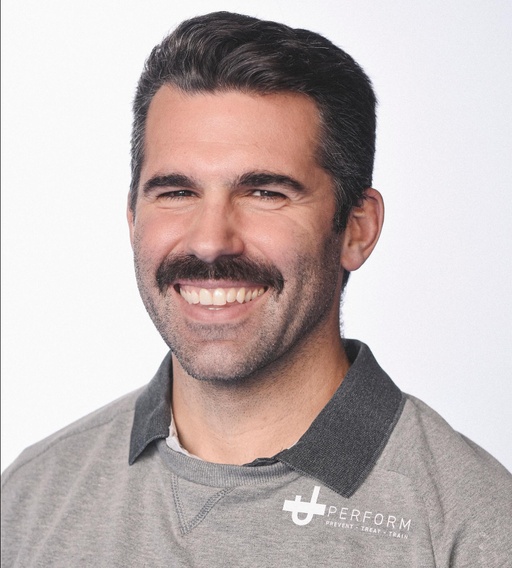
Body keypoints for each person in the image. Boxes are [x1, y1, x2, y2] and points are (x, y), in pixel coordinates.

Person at [2, 11, 510, 567]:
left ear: (356, 229)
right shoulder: (30, 500)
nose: (210, 242)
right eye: (176, 193)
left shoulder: (475, 530)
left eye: (265, 193)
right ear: (132, 218)